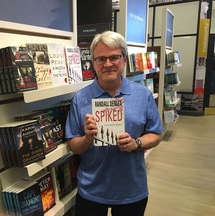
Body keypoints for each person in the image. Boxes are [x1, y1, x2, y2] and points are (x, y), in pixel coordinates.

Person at [65, 31, 163, 216]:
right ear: (93, 63)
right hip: (91, 190)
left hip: (132, 190)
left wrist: (137, 144)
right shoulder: (80, 98)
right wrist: (87, 139)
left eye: (114, 57)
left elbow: (156, 134)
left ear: (124, 60)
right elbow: (74, 146)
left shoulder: (143, 95)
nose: (108, 64)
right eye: (101, 59)